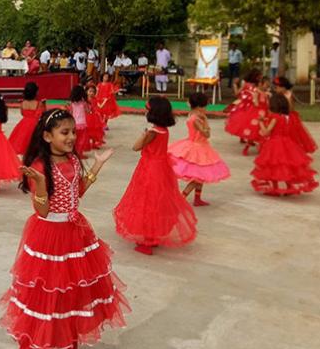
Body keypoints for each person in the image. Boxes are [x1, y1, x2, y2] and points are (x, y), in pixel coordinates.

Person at [0, 108, 129, 349]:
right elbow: (42, 211)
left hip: (75, 234)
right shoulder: (39, 166)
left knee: (75, 294)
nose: (71, 137)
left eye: (73, 132)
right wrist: (41, 183)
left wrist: (96, 166)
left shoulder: (71, 158)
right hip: (50, 237)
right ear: (47, 136)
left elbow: (76, 193)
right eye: (64, 132)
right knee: (43, 300)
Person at [113, 96, 197, 255]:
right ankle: (153, 236)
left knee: (147, 202)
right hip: (161, 167)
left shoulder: (152, 131)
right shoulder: (164, 130)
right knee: (157, 201)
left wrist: (143, 135)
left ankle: (148, 240)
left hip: (150, 168)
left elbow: (135, 147)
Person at [168, 92, 230, 207]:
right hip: (198, 148)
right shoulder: (197, 118)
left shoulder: (192, 114)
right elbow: (206, 134)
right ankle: (181, 198)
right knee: (198, 177)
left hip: (195, 145)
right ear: (200, 106)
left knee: (201, 175)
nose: (206, 108)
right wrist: (206, 122)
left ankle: (197, 198)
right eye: (205, 105)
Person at [251, 94, 318, 196]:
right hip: (287, 143)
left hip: (274, 144)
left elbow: (266, 132)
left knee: (272, 166)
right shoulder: (288, 117)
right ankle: (289, 187)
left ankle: (274, 188)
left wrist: (260, 122)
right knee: (287, 166)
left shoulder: (275, 117)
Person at [225, 70, 269, 155]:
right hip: (249, 107)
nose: (260, 77)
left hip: (255, 109)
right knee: (250, 126)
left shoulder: (260, 90)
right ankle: (248, 143)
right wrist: (235, 85)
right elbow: (239, 94)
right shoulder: (248, 85)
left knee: (255, 128)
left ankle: (253, 143)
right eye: (259, 76)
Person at [272, 76, 316, 154]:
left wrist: (287, 102)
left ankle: (291, 149)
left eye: (277, 87)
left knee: (291, 135)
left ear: (284, 87)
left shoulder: (288, 95)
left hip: (288, 116)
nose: (276, 89)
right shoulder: (276, 95)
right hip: (278, 116)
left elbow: (291, 108)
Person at [8, 82, 45, 156]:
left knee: (23, 144)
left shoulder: (23, 103)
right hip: (35, 125)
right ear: (35, 92)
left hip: (24, 124)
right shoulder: (39, 103)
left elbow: (22, 113)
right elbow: (42, 114)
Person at [67, 85, 91, 157]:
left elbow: (70, 112)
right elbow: (88, 111)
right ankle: (79, 153)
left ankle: (72, 152)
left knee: (74, 139)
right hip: (82, 124)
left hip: (74, 124)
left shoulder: (72, 103)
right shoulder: (83, 103)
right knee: (81, 140)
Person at [85, 84, 105, 151]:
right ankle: (86, 144)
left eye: (93, 92)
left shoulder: (95, 99)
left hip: (94, 117)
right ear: (86, 91)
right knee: (87, 131)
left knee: (95, 131)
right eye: (90, 91)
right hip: (87, 117)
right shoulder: (85, 100)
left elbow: (97, 107)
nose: (91, 93)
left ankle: (94, 144)